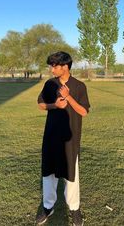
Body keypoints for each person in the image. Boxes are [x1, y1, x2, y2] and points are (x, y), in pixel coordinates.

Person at [36, 51, 90, 226]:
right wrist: (55, 105)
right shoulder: (50, 84)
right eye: (51, 65)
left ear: (65, 66)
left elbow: (84, 111)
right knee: (49, 173)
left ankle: (74, 209)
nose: (52, 69)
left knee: (71, 175)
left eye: (54, 66)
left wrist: (68, 97)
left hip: (70, 138)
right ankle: (47, 206)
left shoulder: (79, 86)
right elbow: (40, 104)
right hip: (51, 137)